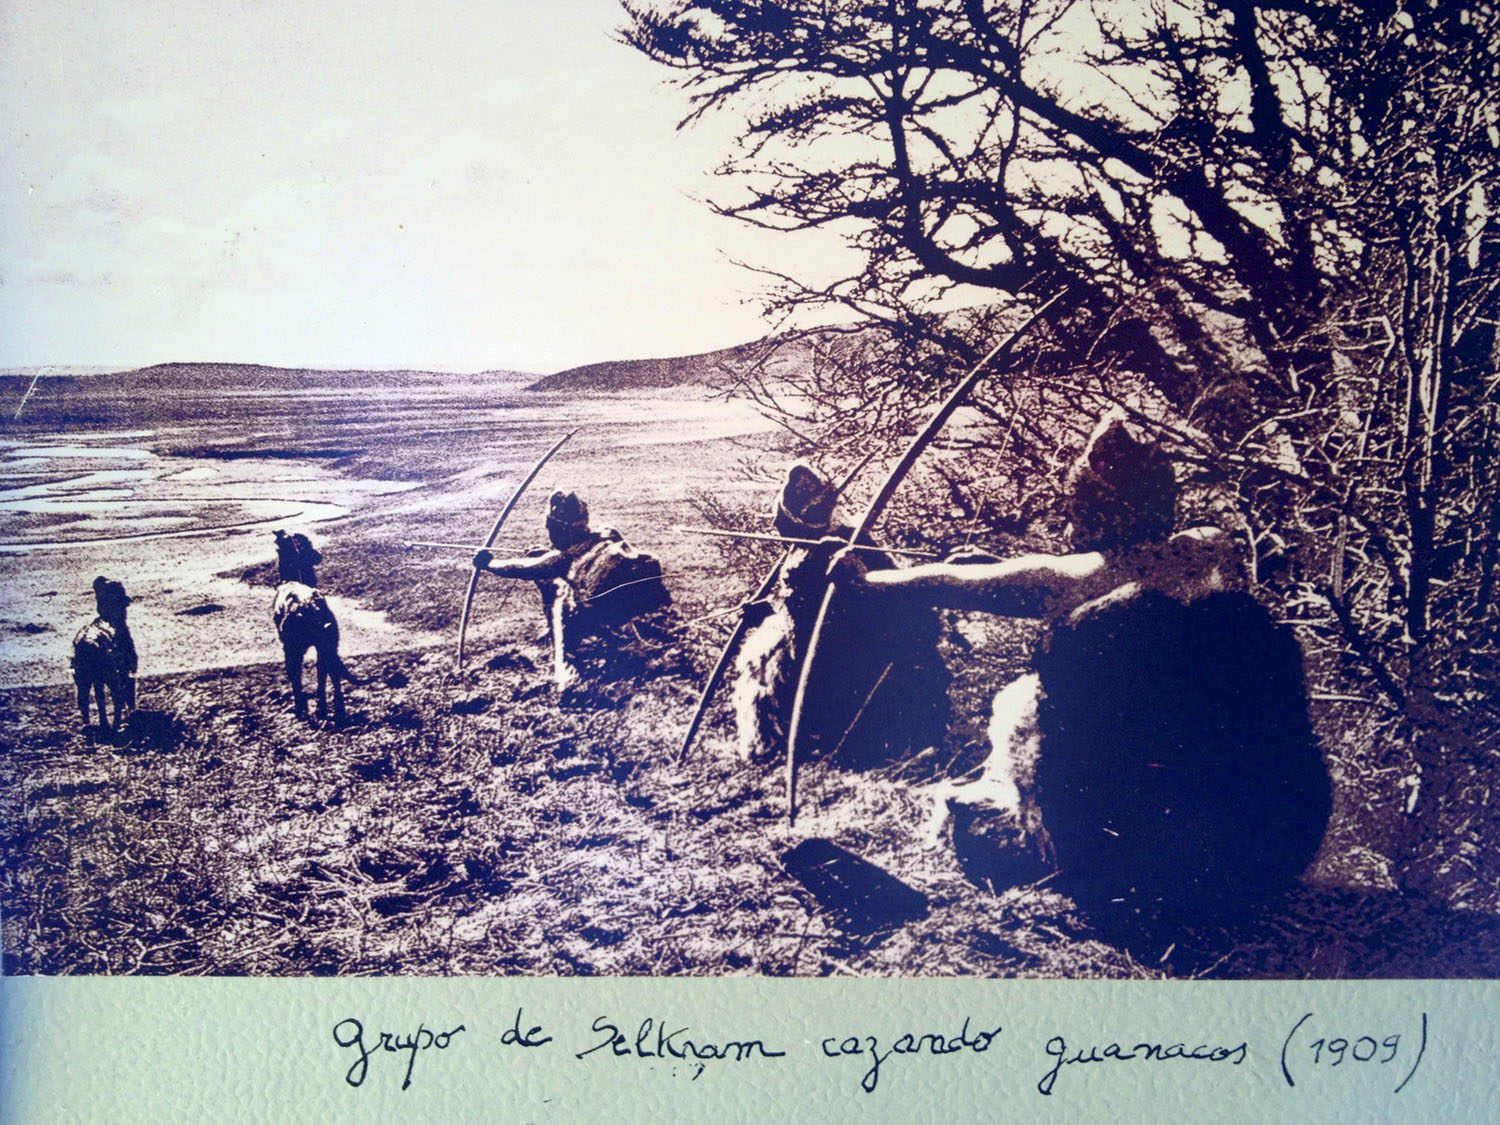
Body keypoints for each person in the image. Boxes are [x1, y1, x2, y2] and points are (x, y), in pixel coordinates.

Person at [831, 412, 1330, 938]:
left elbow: (951, 582)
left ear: (1086, 508)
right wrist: (999, 567)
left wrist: (867, 579)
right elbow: (1134, 573)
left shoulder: (1065, 580)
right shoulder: (1212, 548)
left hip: (1120, 851)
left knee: (1000, 777)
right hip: (1256, 839)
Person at [730, 462, 949, 768]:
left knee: (849, 719)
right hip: (808, 645)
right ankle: (795, 753)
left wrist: (852, 571)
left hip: (855, 650)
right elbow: (799, 598)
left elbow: (891, 593)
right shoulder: (800, 546)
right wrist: (767, 608)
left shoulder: (853, 541)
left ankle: (855, 759)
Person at [472, 491, 671, 687]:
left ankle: (569, 679)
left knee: (562, 604)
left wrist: (488, 563)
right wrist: (548, 555)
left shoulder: (561, 560)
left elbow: (523, 568)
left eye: (552, 529)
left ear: (562, 531)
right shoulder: (608, 533)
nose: (550, 534)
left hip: (601, 618)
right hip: (632, 608)